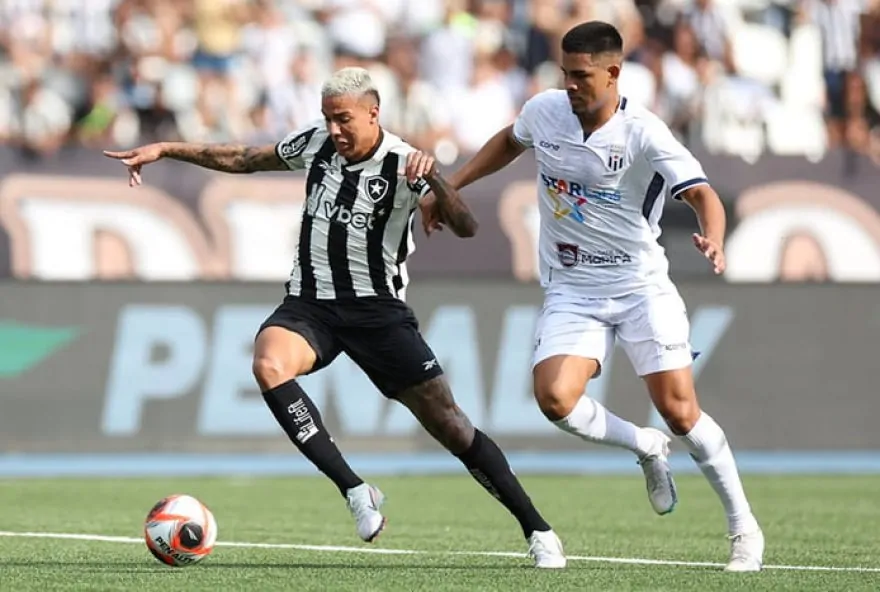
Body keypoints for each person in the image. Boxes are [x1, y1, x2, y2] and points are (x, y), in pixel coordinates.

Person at [103, 67, 566, 569]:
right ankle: (355, 489)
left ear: (373, 113)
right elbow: (245, 158)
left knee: (452, 426)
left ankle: (537, 529)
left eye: (343, 119)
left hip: (378, 312)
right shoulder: (317, 144)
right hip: (312, 303)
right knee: (268, 364)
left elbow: (467, 226)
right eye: (328, 118)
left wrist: (435, 177)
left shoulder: (403, 164)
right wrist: (167, 148)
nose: (334, 129)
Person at [423, 22, 764, 572]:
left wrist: (715, 238)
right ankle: (643, 446)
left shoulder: (644, 132)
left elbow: (703, 194)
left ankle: (743, 527)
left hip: (639, 285)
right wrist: (451, 186)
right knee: (554, 399)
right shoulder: (545, 111)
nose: (571, 85)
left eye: (582, 75)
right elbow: (509, 141)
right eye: (566, 73)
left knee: (680, 411)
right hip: (572, 286)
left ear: (613, 73)